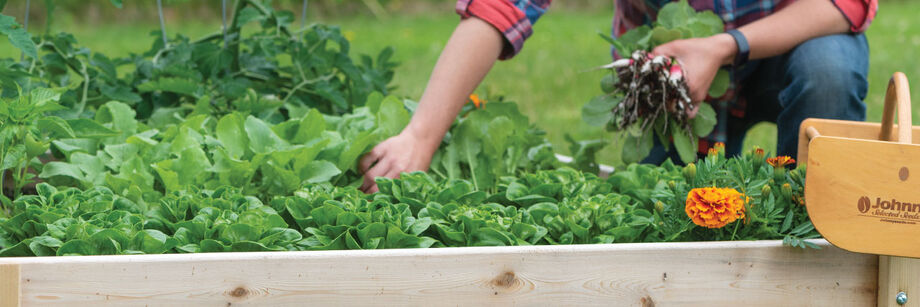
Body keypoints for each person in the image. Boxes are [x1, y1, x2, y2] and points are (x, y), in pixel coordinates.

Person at [358, 0, 878, 193]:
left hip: (784, 49)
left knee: (831, 63)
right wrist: (420, 137)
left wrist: (723, 46)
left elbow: (847, 4)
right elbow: (499, 8)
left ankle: (812, 220)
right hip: (672, 86)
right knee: (668, 213)